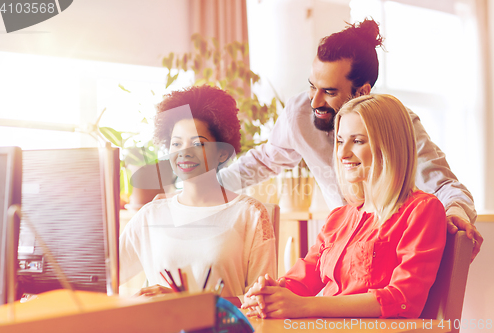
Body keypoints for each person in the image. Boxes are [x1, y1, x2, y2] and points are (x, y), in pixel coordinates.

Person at [218, 18, 482, 260]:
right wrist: (208, 187)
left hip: (390, 254)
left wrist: (455, 213)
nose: (315, 101)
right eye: (312, 86)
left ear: (363, 91)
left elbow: (447, 187)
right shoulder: (299, 113)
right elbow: (264, 160)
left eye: (329, 92)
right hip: (340, 246)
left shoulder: (398, 125)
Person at [241, 94, 447, 319]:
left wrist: (305, 306)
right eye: (340, 141)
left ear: (390, 145)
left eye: (357, 141)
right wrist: (271, 293)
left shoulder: (422, 210)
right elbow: (301, 280)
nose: (342, 153)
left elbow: (403, 299)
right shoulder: (339, 217)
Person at [119, 85, 276, 305]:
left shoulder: (250, 214)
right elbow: (104, 277)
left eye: (198, 143)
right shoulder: (151, 215)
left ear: (222, 152)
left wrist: (189, 302)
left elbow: (261, 301)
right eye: (176, 143)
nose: (184, 152)